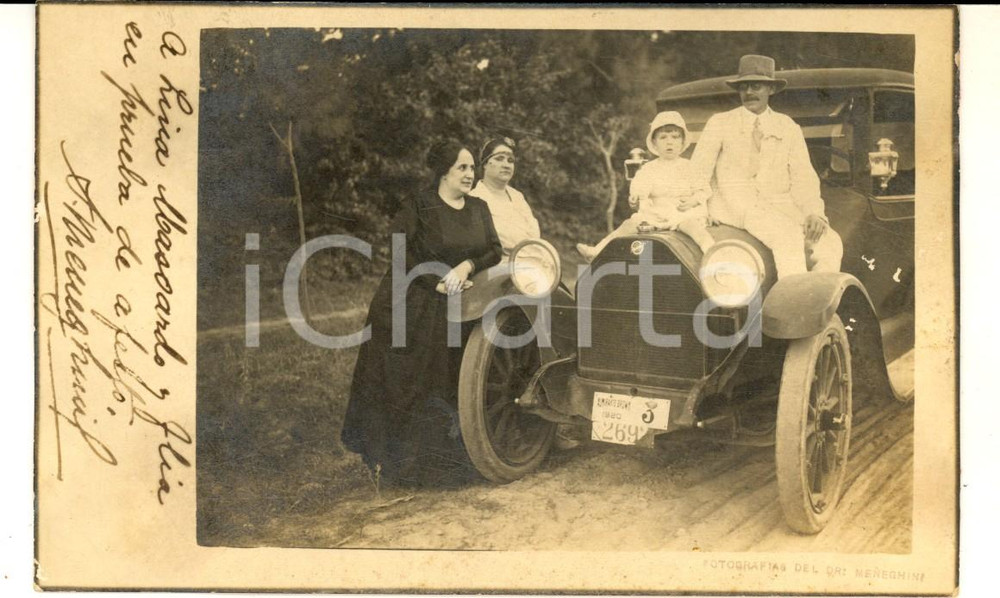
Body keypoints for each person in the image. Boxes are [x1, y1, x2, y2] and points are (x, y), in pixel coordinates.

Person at [340, 140, 502, 487]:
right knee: (410, 377)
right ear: (443, 171)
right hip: (411, 298)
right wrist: (436, 281)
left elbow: (495, 251)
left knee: (452, 375)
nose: (470, 174)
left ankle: (448, 466)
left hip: (458, 299)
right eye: (462, 167)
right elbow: (400, 252)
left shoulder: (478, 208)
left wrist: (467, 265)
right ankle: (401, 468)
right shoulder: (419, 205)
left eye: (473, 168)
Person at [690, 54, 843, 279]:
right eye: (743, 87)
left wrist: (814, 213)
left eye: (756, 86)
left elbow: (803, 177)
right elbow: (698, 172)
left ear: (770, 90)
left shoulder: (787, 126)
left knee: (829, 241)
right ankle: (792, 308)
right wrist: (699, 209)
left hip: (780, 205)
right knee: (787, 237)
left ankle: (816, 307)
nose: (749, 92)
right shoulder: (720, 122)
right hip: (735, 206)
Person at [576, 111, 715, 261]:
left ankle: (714, 252)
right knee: (628, 224)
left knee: (694, 228)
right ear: (654, 143)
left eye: (675, 137)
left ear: (682, 142)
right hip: (655, 213)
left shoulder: (689, 167)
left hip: (681, 213)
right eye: (663, 137)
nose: (669, 142)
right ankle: (598, 250)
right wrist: (635, 198)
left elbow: (704, 190)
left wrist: (693, 200)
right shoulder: (649, 169)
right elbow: (639, 188)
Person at [468, 136, 541, 255]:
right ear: (485, 163)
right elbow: (499, 241)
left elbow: (534, 233)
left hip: (529, 261)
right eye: (499, 159)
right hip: (497, 266)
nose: (506, 165)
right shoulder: (474, 199)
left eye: (510, 161)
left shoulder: (517, 196)